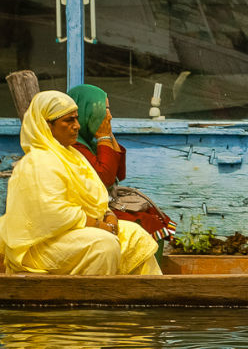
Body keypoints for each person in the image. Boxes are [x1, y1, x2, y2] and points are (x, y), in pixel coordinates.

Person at [0, 90, 161, 275]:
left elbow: (97, 194)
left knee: (136, 235)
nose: (76, 126)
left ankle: (147, 297)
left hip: (74, 233)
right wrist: (99, 225)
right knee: (103, 245)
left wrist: (109, 216)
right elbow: (54, 213)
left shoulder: (72, 155)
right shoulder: (38, 161)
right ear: (47, 126)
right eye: (68, 120)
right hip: (42, 244)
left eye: (76, 119)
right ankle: (93, 301)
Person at [67, 84, 175, 242]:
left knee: (152, 216)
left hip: (107, 204)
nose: (109, 116)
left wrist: (108, 133)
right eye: (104, 110)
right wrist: (103, 136)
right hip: (90, 212)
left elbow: (120, 173)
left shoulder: (89, 142)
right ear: (84, 111)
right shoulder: (74, 146)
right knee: (141, 222)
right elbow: (106, 178)